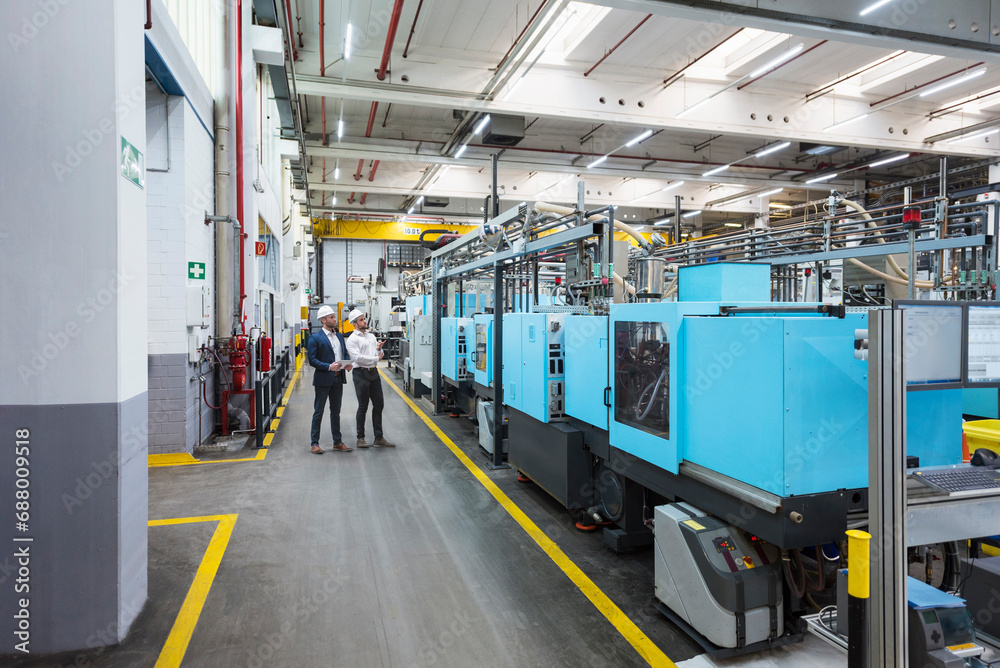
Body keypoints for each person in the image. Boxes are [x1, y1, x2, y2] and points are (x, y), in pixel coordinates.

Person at [345, 309, 395, 448]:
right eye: (361, 320)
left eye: (364, 319)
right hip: (360, 374)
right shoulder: (352, 340)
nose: (364, 321)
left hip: (373, 372)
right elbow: (358, 359)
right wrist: (375, 357)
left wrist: (378, 349)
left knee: (379, 404)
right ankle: (360, 438)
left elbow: (379, 354)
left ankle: (378, 437)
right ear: (355, 323)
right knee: (363, 406)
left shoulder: (371, 337)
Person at [307, 305, 353, 454]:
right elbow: (312, 360)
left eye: (334, 317)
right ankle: (314, 443)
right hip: (323, 379)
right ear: (323, 320)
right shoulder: (315, 338)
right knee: (318, 411)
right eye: (332, 317)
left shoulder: (339, 336)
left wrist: (346, 363)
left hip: (338, 379)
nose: (335, 319)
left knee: (336, 412)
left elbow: (344, 354)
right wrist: (328, 367)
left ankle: (337, 442)